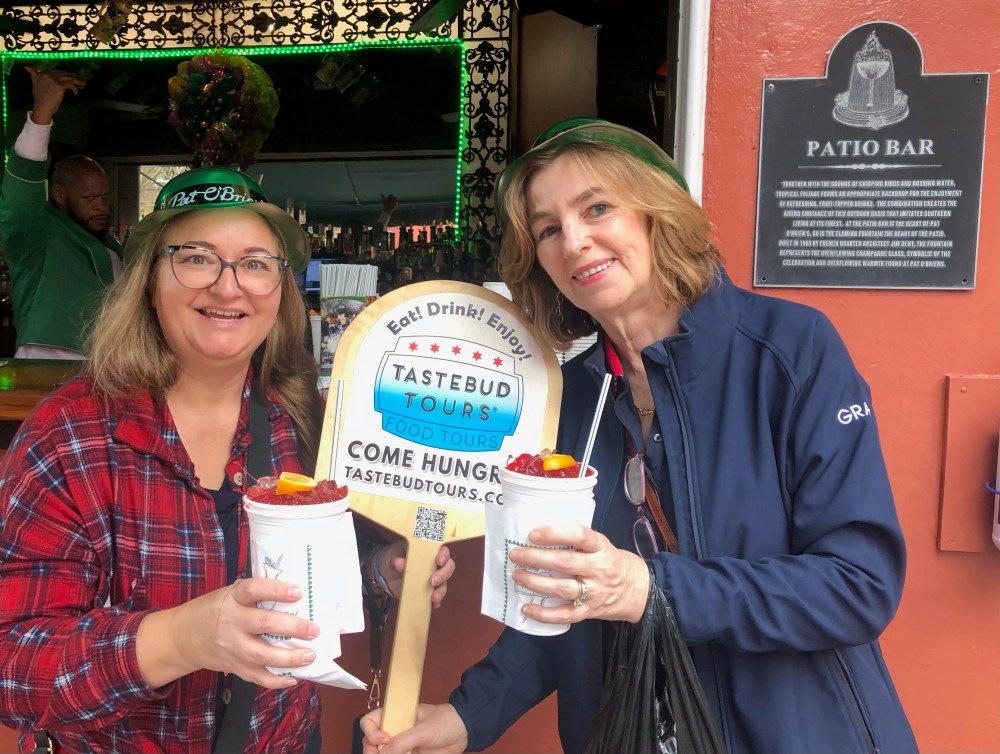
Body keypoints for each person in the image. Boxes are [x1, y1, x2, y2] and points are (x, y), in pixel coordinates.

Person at [360, 117, 918, 754]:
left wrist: (650, 587)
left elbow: (858, 586)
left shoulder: (789, 350)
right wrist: (465, 718)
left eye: (597, 207)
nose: (573, 241)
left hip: (799, 731)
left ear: (655, 213)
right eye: (547, 229)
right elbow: (555, 601)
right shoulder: (570, 398)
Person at [0, 166, 455, 753]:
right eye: (196, 257)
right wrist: (185, 638)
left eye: (257, 263)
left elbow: (321, 577)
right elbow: (13, 667)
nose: (228, 286)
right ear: (149, 278)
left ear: (280, 290)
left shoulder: (302, 419)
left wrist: (381, 570)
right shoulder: (69, 435)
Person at [0, 66, 122, 358]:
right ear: (59, 195)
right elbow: (19, 195)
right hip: (48, 367)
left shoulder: (110, 244)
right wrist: (41, 116)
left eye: (104, 196)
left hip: (109, 365)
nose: (100, 205)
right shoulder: (38, 232)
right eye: (89, 197)